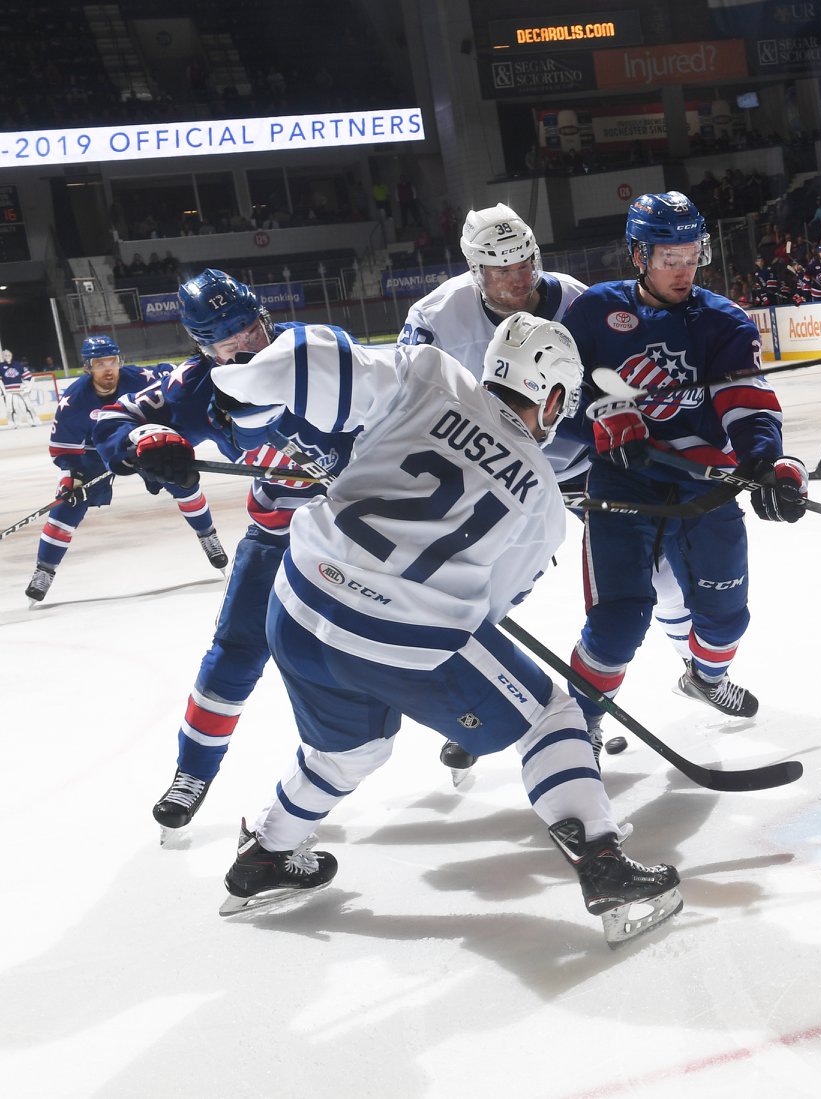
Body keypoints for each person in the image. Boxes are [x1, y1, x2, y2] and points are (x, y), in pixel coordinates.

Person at [206, 315, 682, 942]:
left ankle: (266, 854)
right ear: (556, 396)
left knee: (349, 751)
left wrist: (237, 387)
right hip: (402, 634)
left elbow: (319, 360)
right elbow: (486, 609)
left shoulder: (430, 372)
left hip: (297, 602)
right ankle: (601, 859)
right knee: (551, 717)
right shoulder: (541, 494)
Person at [398, 202, 691, 773]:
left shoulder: (578, 300)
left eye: (526, 262)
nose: (519, 278)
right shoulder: (434, 316)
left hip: (580, 463)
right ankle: (479, 711)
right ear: (474, 269)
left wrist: (623, 412)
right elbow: (407, 395)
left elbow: (620, 379)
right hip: (494, 470)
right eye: (502, 269)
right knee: (476, 597)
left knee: (657, 569)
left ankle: (698, 669)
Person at [93, 270, 357, 843]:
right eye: (222, 338)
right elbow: (112, 421)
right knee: (236, 651)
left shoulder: (318, 350)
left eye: (245, 327)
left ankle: (473, 722)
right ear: (201, 345)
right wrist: (144, 443)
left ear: (263, 315)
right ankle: (192, 775)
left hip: (364, 534)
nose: (241, 344)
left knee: (424, 632)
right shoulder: (195, 384)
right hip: (278, 535)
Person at [560, 191, 809, 731]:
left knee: (726, 618)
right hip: (622, 483)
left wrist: (768, 462)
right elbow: (555, 394)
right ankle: (579, 729)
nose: (682, 269)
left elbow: (745, 400)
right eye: (668, 258)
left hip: (703, 486)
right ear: (638, 254)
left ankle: (704, 679)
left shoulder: (725, 322)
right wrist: (599, 421)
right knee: (618, 619)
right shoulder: (595, 311)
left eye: (692, 255)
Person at [25, 336, 226, 603]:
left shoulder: (141, 378)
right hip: (94, 452)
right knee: (68, 506)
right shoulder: (74, 400)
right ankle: (44, 570)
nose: (108, 369)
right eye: (99, 363)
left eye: (113, 361)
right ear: (87, 367)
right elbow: (64, 450)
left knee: (183, 480)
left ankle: (207, 536)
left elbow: (172, 377)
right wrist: (69, 477)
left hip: (139, 439)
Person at [2, 349, 39, 427]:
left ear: (11, 355)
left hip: (20, 390)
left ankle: (33, 420)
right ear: (3, 356)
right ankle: (14, 423)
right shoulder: (0, 366)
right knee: (10, 408)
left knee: (27, 406)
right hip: (9, 391)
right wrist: (3, 391)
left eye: (9, 355)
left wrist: (28, 388)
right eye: (5, 355)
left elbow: (31, 378)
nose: (7, 357)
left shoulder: (18, 365)